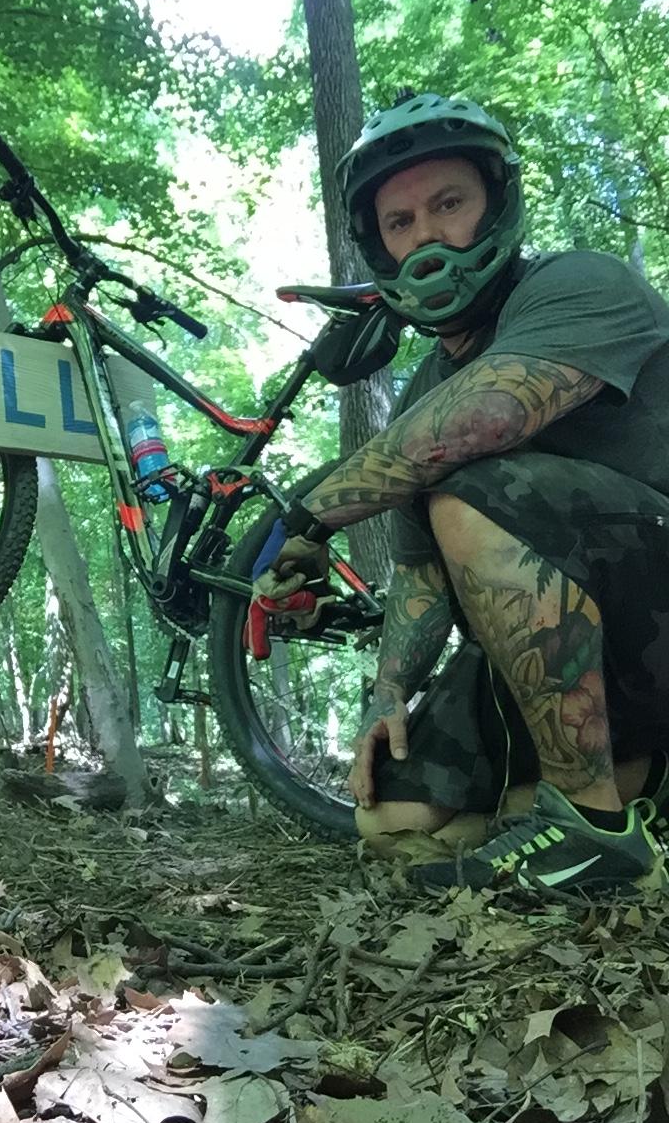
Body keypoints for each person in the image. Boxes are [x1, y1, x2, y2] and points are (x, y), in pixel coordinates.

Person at [256, 91, 669, 894]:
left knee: (472, 489)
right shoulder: (421, 393)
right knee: (393, 818)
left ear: (497, 204)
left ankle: (593, 826)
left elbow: (485, 416)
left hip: (654, 611)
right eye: (399, 223)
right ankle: (617, 791)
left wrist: (309, 515)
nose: (427, 239)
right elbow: (418, 573)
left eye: (449, 204)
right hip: (562, 656)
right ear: (378, 247)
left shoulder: (581, 285)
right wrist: (387, 695)